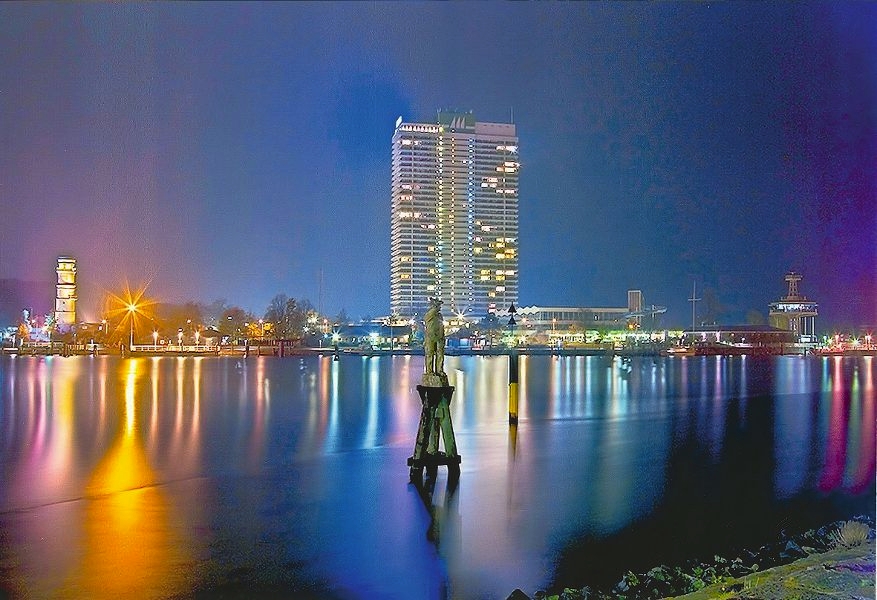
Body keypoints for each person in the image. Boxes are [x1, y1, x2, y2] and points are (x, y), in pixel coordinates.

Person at [423, 298, 445, 376]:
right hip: (430, 337)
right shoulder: (429, 315)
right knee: (430, 354)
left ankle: (439, 370)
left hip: (439, 337)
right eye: (439, 306)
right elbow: (432, 312)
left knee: (440, 354)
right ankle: (429, 371)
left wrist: (442, 335)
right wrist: (435, 304)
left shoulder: (439, 316)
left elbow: (441, 325)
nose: (440, 307)